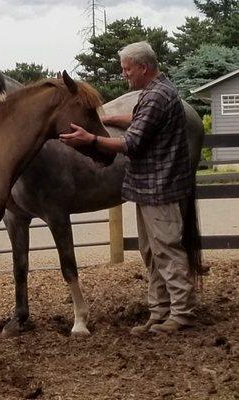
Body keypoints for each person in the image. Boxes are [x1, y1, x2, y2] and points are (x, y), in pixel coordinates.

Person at [59, 41, 200, 335]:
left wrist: (92, 139)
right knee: (152, 251)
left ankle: (182, 313)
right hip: (149, 187)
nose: (124, 74)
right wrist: (105, 118)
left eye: (127, 69)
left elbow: (132, 143)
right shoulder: (154, 93)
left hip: (159, 186)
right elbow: (138, 118)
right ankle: (159, 312)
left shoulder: (157, 96)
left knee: (167, 250)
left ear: (143, 67)